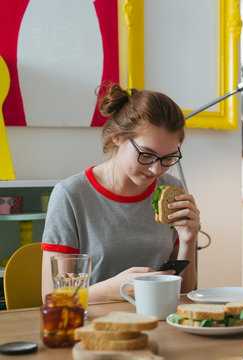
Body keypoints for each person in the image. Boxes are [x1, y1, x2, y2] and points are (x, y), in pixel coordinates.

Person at [41, 83, 200, 301]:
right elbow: (52, 297)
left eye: (168, 158)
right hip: (92, 326)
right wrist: (112, 290)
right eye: (146, 154)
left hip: (159, 324)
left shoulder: (173, 191)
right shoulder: (71, 195)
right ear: (117, 137)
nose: (156, 169)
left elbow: (184, 291)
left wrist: (188, 241)